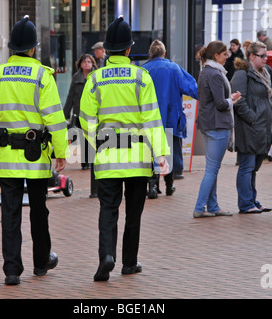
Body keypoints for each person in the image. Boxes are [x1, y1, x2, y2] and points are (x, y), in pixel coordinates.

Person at [0, 15, 69, 285]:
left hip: (6, 156)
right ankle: (41, 262)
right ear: (33, 48)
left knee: (10, 213)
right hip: (36, 156)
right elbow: (55, 118)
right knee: (39, 210)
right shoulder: (42, 75)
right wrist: (60, 151)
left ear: (11, 49)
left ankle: (11, 270)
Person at [80, 16, 170, 281]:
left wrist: (98, 141)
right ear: (129, 49)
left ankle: (106, 256)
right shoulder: (141, 77)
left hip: (108, 157)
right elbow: (152, 118)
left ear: (106, 50)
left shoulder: (95, 80)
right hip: (138, 158)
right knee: (133, 212)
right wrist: (161, 154)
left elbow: (86, 119)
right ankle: (129, 263)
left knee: (107, 208)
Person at [142, 39, 198, 199]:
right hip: (171, 117)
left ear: (150, 54)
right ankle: (169, 185)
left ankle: (152, 186)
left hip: (149, 119)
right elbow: (191, 88)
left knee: (151, 151)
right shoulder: (174, 68)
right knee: (169, 152)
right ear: (164, 53)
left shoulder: (143, 70)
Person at [193, 41, 241, 218]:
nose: (227, 57)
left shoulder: (206, 71)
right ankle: (200, 207)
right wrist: (233, 100)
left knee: (211, 168)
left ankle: (212, 206)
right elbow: (221, 103)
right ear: (216, 56)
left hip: (209, 124)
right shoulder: (215, 74)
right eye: (224, 54)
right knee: (212, 169)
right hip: (217, 125)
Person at [231, 41, 272, 214]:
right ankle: (245, 204)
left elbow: (270, 95)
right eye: (262, 56)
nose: (265, 59)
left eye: (266, 55)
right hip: (249, 128)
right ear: (251, 56)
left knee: (254, 168)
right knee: (247, 166)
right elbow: (239, 101)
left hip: (262, 128)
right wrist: (253, 118)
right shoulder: (242, 74)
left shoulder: (264, 72)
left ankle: (252, 200)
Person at [63, 53, 97, 169]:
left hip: (93, 113)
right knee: (82, 137)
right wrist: (66, 114)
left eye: (89, 61)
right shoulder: (76, 77)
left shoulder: (96, 77)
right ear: (81, 64)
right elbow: (70, 96)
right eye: (84, 62)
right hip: (79, 112)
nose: (87, 63)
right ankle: (85, 162)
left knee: (92, 136)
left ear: (93, 63)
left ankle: (91, 160)